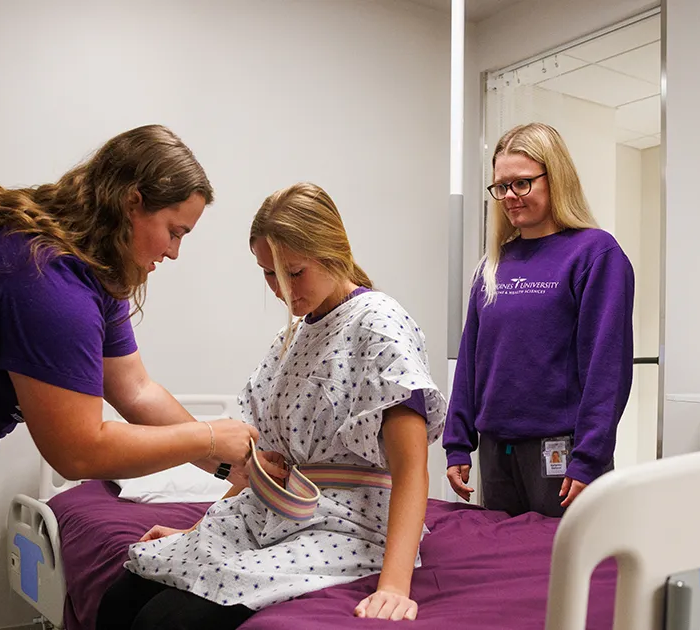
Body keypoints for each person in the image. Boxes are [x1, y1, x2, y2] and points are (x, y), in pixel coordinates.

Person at [0, 124, 260, 628]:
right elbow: (77, 450)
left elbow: (135, 389)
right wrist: (212, 434)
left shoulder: (83, 264)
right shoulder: (49, 279)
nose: (174, 252)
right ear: (132, 203)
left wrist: (227, 466)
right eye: (175, 230)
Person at [96, 182, 446, 628]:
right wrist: (199, 531)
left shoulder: (378, 324)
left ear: (332, 252)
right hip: (273, 512)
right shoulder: (293, 337)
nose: (281, 289)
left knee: (165, 622)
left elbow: (413, 468)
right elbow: (266, 464)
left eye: (293, 272)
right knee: (121, 600)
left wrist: (394, 586)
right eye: (268, 274)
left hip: (346, 525)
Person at [442, 122, 635, 518]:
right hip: (497, 454)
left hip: (562, 456)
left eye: (522, 184)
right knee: (502, 567)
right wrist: (458, 441)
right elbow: (471, 359)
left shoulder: (595, 254)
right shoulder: (492, 265)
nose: (509, 197)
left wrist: (590, 456)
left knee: (559, 571)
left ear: (556, 179)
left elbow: (607, 366)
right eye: (501, 187)